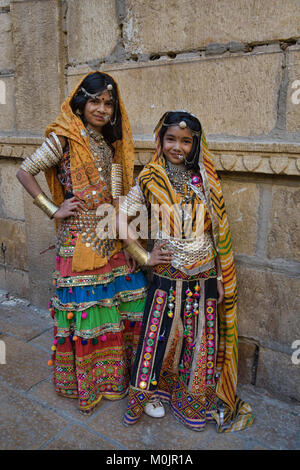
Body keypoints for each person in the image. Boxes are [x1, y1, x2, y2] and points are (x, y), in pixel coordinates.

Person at [16, 71, 147, 414]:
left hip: (111, 237)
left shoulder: (112, 146)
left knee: (128, 303)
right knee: (89, 314)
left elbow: (119, 200)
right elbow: (24, 172)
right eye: (94, 101)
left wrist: (131, 245)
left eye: (108, 103)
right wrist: (52, 209)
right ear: (81, 102)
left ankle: (119, 378)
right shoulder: (64, 138)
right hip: (78, 242)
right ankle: (89, 383)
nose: (102, 109)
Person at [120, 110, 255, 432]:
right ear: (160, 140)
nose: (177, 147)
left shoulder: (205, 179)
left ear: (195, 144)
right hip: (167, 274)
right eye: (170, 139)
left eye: (185, 141)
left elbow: (218, 232)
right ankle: (149, 395)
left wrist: (222, 277)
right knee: (160, 337)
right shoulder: (149, 177)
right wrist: (142, 254)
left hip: (206, 274)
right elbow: (119, 218)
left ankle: (191, 398)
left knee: (199, 340)